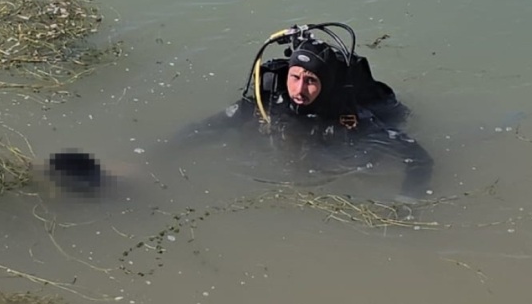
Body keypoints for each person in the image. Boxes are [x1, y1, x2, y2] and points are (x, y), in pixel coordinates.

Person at [173, 22, 433, 201]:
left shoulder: (350, 115)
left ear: (325, 83)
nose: (299, 89)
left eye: (311, 81)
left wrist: (407, 201)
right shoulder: (269, 101)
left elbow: (419, 159)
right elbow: (205, 129)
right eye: (295, 77)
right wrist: (163, 152)